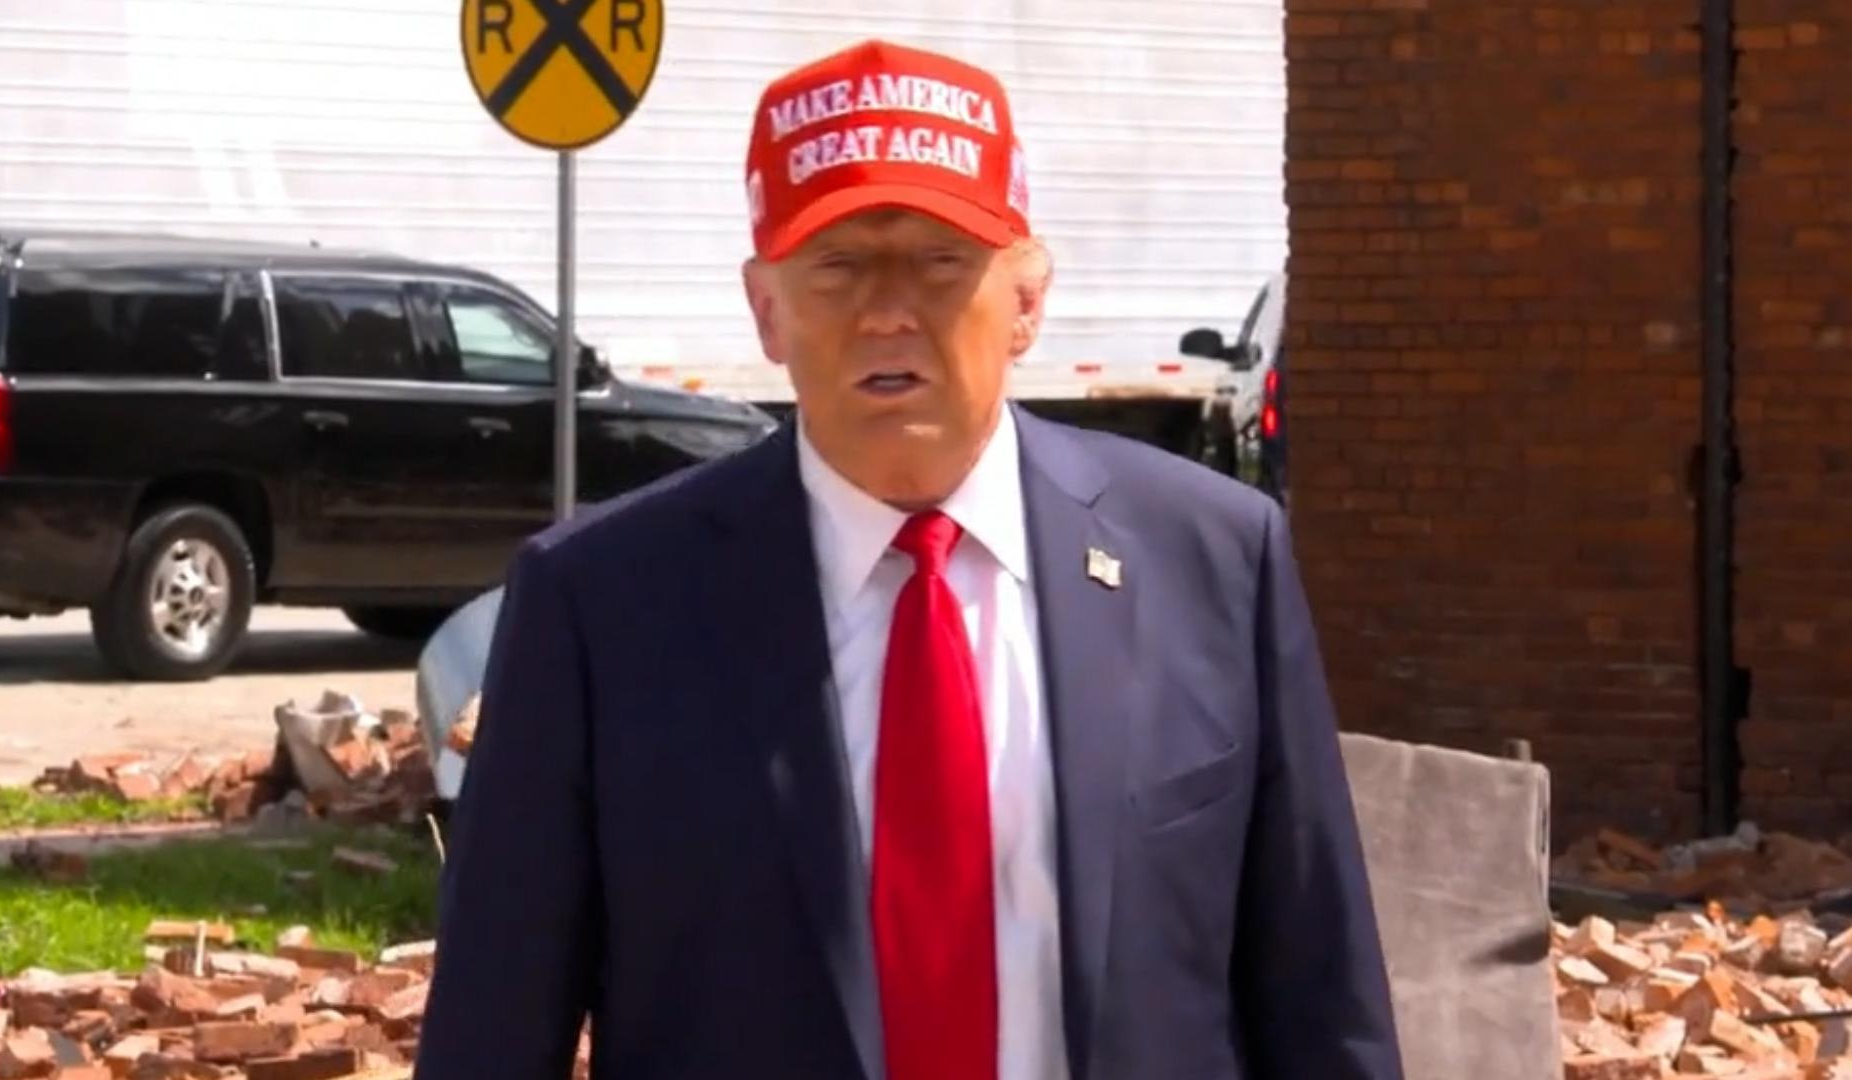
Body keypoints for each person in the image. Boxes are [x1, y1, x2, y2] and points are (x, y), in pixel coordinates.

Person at [415, 38, 1404, 1080]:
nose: (889, 312)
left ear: (1026, 302)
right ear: (767, 310)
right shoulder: (601, 605)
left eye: (941, 262)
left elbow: (1321, 996)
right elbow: (494, 1028)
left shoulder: (1212, 561)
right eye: (838, 266)